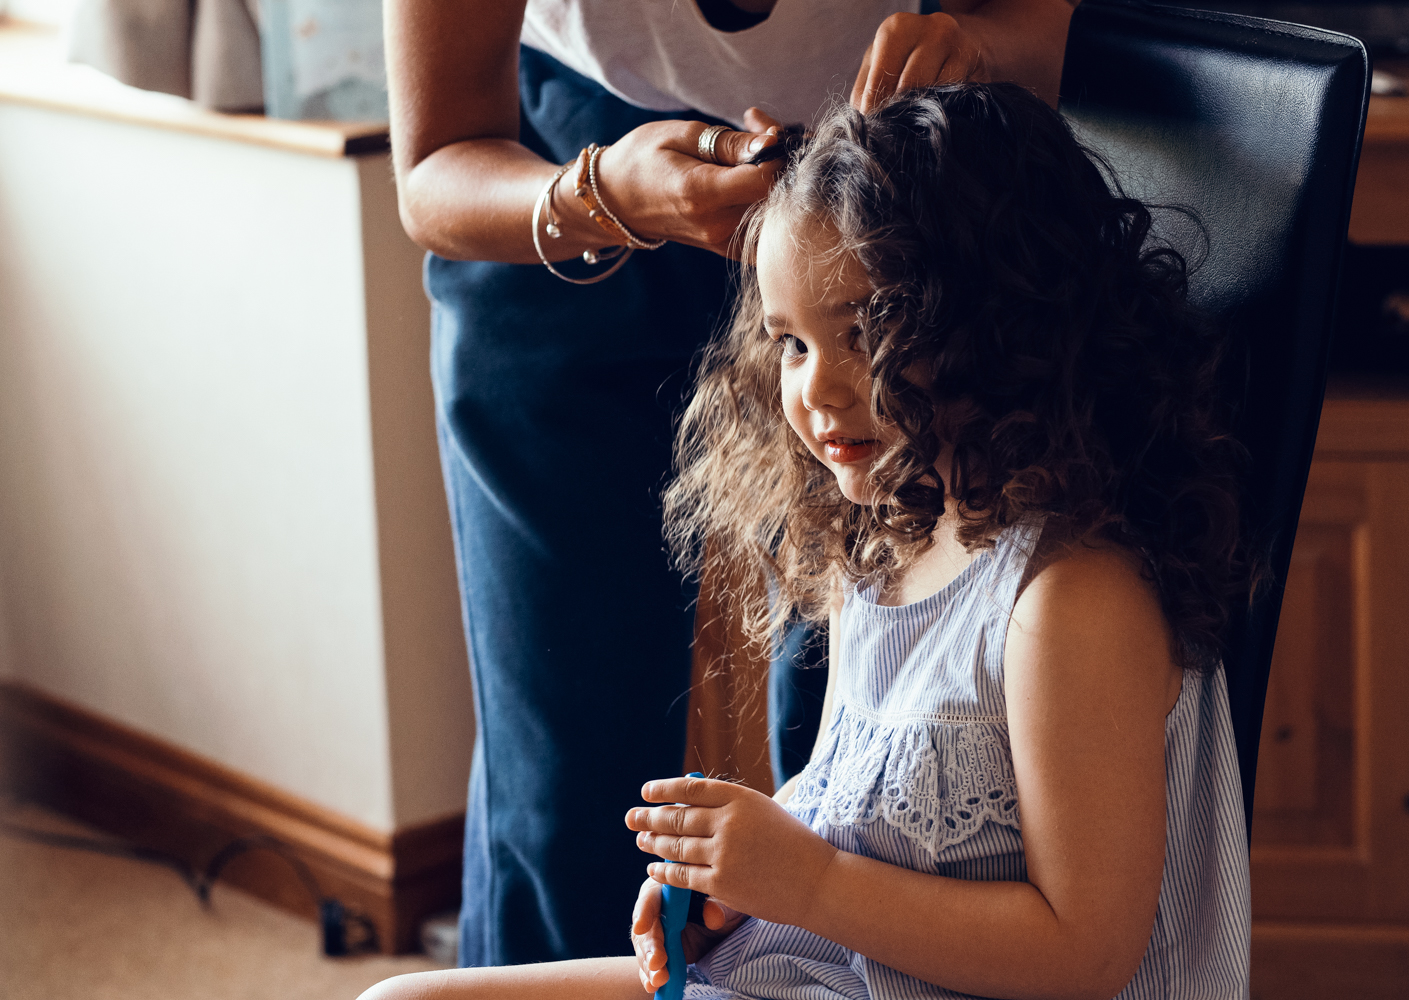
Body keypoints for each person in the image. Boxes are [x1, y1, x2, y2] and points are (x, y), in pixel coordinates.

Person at [362, 82, 1254, 1000]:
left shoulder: (1068, 601)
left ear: (1002, 326)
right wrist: (732, 867)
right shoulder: (894, 539)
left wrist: (807, 883)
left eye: (863, 332)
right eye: (790, 342)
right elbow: (864, 799)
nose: (817, 390)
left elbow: (1084, 957)